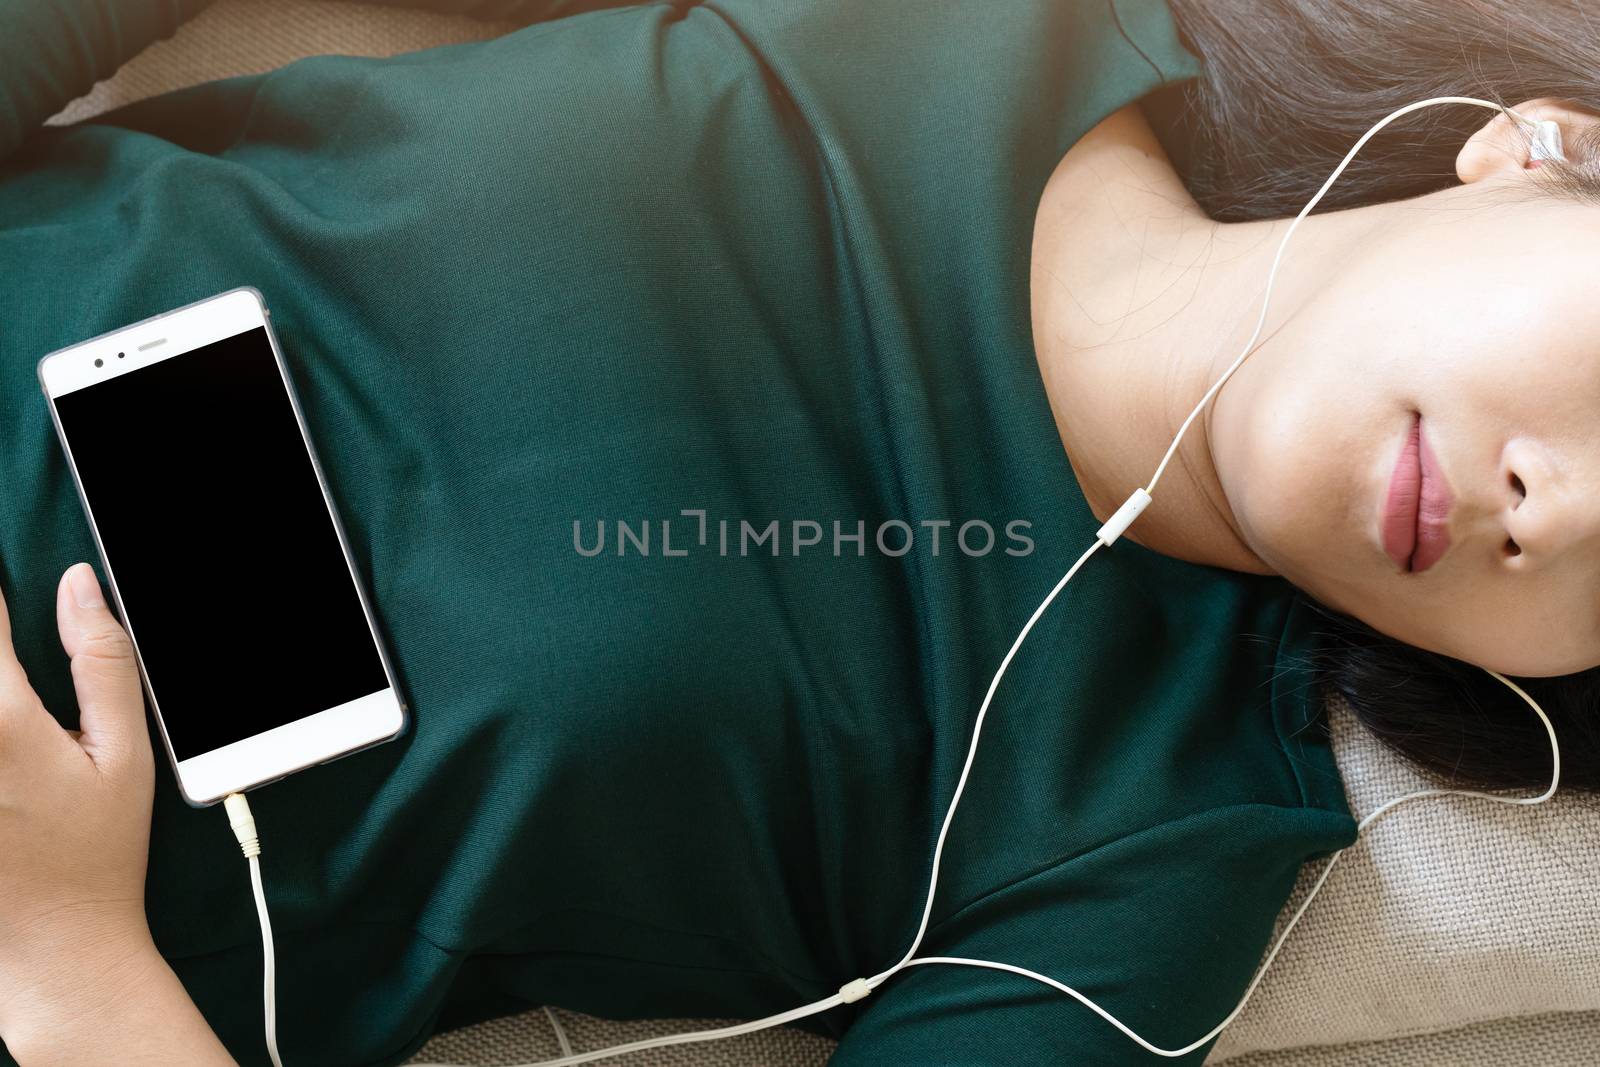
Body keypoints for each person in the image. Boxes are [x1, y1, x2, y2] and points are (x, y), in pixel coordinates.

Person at [0, 0, 1597, 1064]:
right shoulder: (978, 32)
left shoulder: (1146, 866)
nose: (1567, 512)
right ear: (1547, 151)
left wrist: (75, 977)